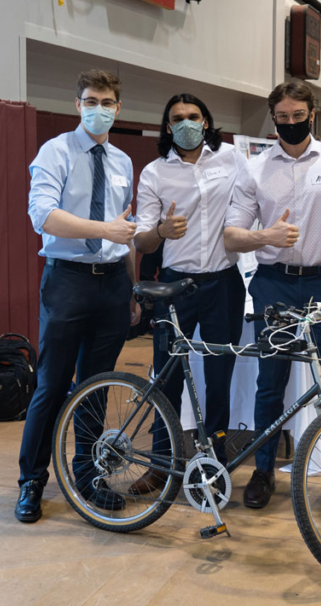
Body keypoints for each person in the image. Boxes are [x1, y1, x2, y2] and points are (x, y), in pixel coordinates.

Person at [223, 81, 321, 511]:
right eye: (281, 118)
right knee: (271, 383)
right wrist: (264, 235)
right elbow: (231, 236)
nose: (289, 124)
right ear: (273, 119)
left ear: (312, 115)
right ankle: (263, 469)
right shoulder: (254, 169)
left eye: (297, 117)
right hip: (273, 283)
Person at [16, 69, 141, 522]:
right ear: (78, 105)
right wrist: (102, 229)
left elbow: (126, 230)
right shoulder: (56, 151)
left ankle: (88, 475)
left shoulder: (124, 161)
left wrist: (132, 289)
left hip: (113, 283)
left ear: (118, 108)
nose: (99, 109)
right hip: (67, 280)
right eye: (91, 100)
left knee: (96, 386)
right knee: (51, 385)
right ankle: (32, 480)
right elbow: (42, 215)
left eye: (107, 102)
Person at [130, 94, 248, 494]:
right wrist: (161, 231)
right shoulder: (154, 173)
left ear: (206, 120)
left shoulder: (232, 158)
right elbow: (143, 242)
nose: (186, 123)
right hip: (176, 287)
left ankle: (214, 464)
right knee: (166, 378)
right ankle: (162, 464)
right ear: (167, 127)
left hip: (224, 284)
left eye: (193, 116)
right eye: (177, 118)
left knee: (219, 378)